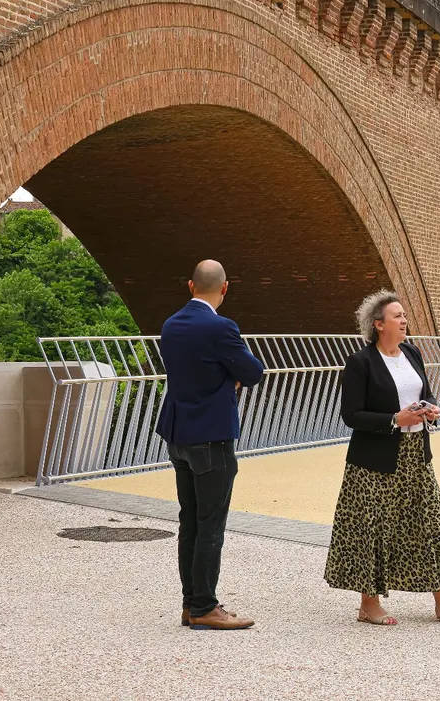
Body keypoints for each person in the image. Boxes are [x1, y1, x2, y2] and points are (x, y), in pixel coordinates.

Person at [324, 290, 440, 627]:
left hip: (416, 454)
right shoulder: (361, 362)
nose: (404, 320)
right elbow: (350, 415)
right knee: (373, 529)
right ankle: (369, 605)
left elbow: (424, 392)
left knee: (433, 524)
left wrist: (431, 408)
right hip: (374, 461)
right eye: (397, 316)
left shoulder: (411, 352)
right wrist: (395, 420)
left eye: (404, 315)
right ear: (378, 324)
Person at [156, 260, 265, 631]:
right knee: (211, 524)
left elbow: (190, 373)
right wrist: (230, 380)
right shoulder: (222, 327)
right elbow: (253, 373)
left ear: (190, 286)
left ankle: (190, 603)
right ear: (225, 288)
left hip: (178, 436)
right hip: (212, 438)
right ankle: (205, 606)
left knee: (190, 522)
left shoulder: (171, 325)